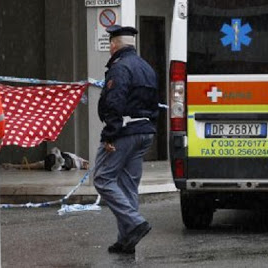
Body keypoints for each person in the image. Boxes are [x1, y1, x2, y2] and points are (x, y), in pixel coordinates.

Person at [93, 25, 159, 254]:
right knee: (128, 185)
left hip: (125, 131)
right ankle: (126, 240)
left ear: (113, 45)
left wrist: (109, 133)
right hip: (145, 131)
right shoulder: (146, 66)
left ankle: (134, 222)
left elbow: (114, 102)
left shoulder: (120, 68)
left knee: (102, 178)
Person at [1, 147, 89, 171]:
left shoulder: (78, 166)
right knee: (67, 162)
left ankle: (58, 164)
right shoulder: (79, 160)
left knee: (38, 165)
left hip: (54, 162)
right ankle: (58, 163)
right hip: (64, 159)